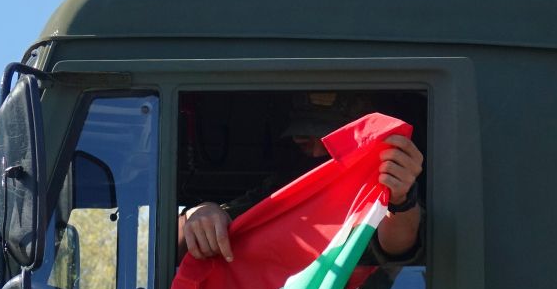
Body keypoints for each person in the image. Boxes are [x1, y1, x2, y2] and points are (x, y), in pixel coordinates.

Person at [178, 94, 425, 265]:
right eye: (304, 140)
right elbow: (227, 220)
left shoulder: (381, 190)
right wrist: (200, 213)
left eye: (329, 143)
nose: (316, 153)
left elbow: (398, 247)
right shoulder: (285, 186)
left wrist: (400, 200)